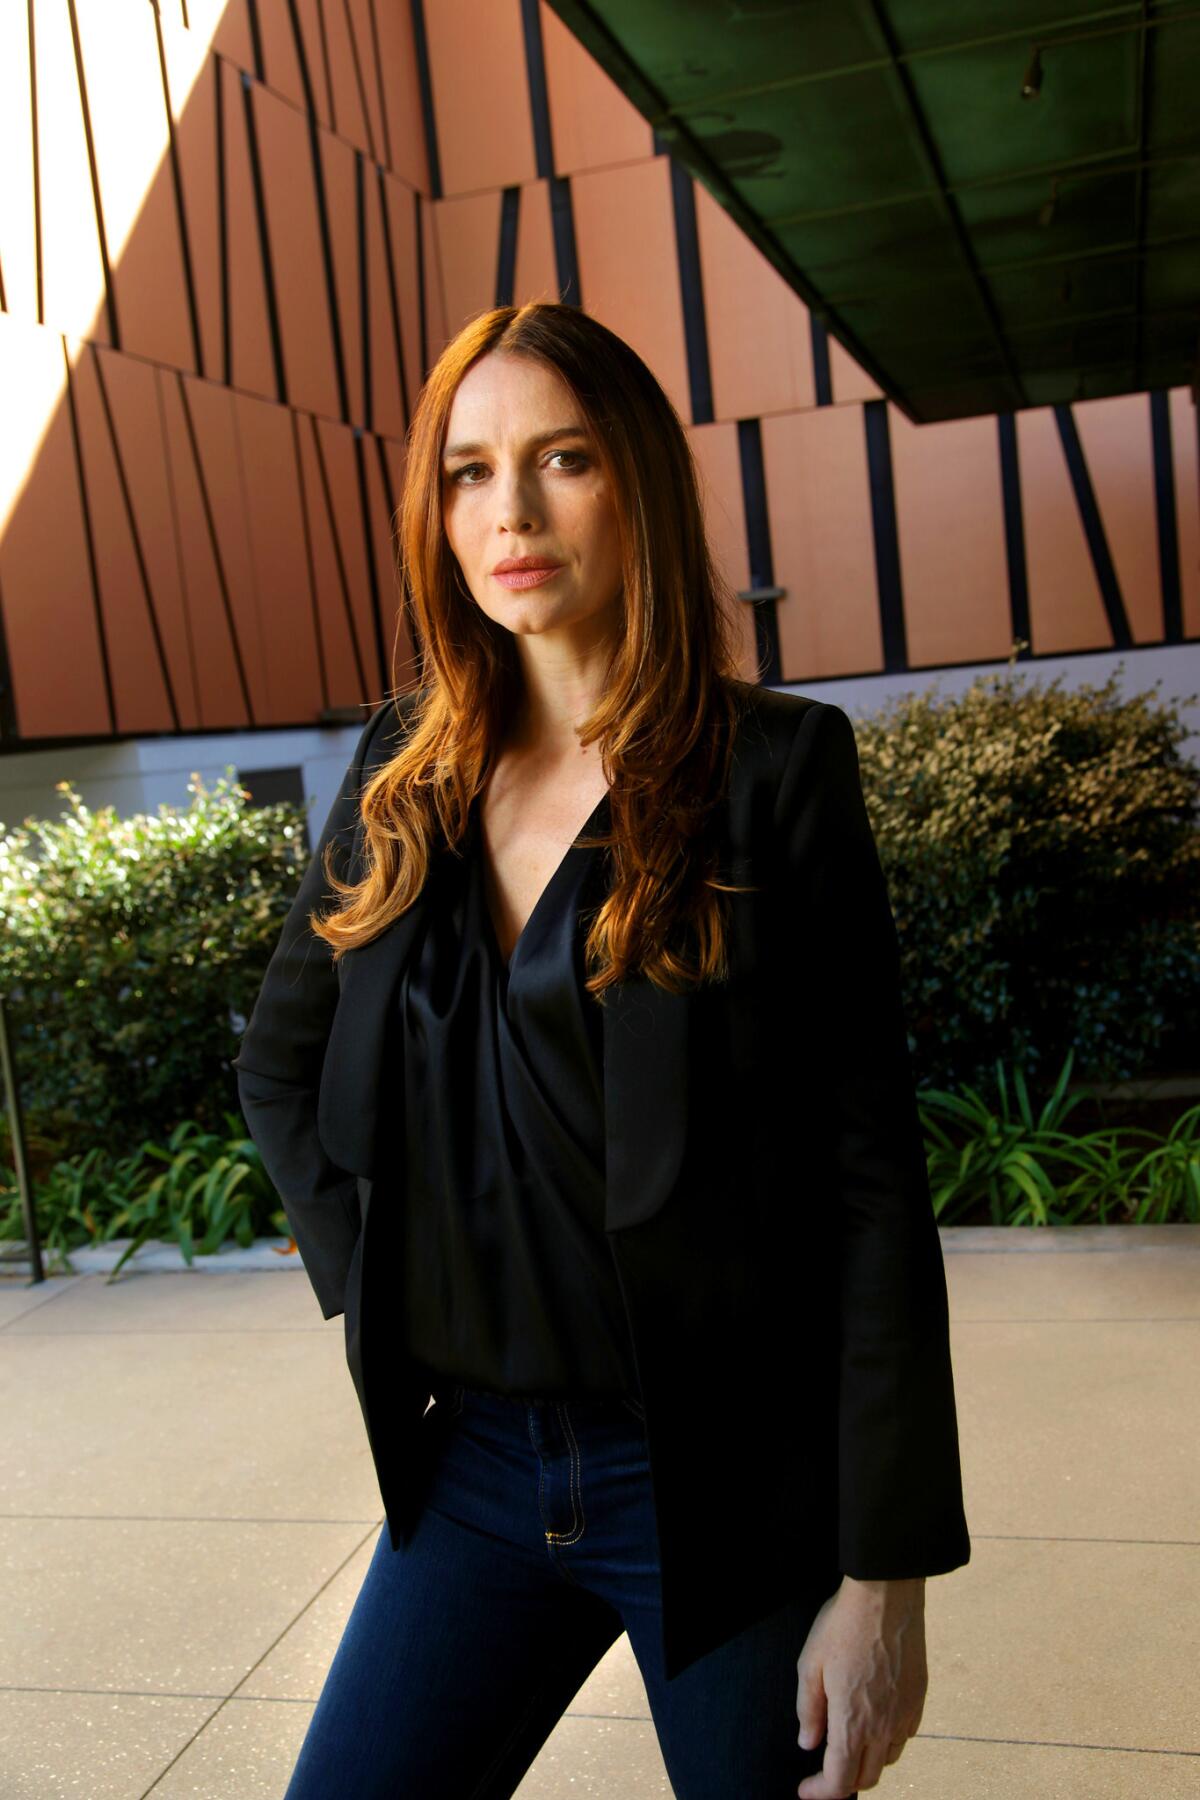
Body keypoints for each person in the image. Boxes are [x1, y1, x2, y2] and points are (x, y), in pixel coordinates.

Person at [233, 300, 970, 1799]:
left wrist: (881, 1578)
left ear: (631, 479)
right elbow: (279, 1068)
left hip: (722, 1477)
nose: (509, 511)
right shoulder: (402, 774)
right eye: (467, 471)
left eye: (560, 460)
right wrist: (381, 1269)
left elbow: (871, 1186)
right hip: (481, 1471)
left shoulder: (774, 776)